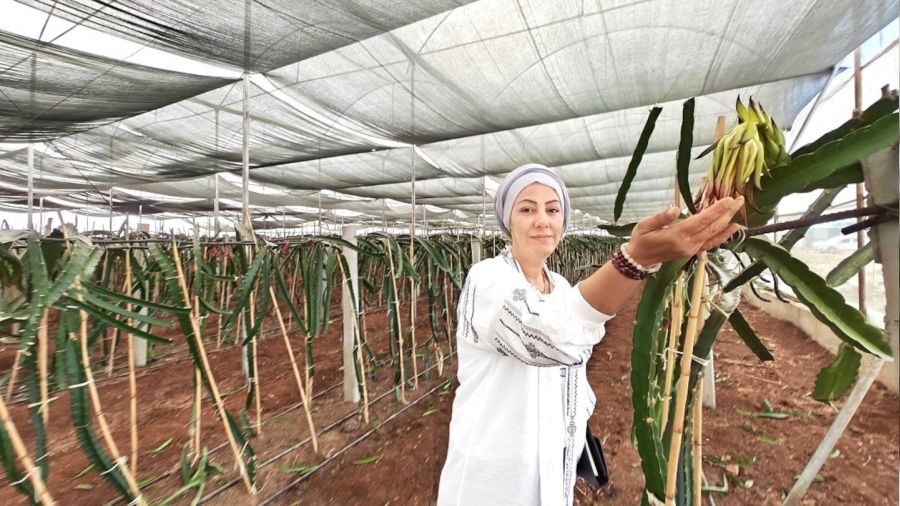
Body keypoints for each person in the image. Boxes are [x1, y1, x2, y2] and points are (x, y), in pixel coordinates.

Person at [437, 163, 743, 506]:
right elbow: (548, 338)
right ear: (508, 220)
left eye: (553, 210)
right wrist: (635, 260)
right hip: (493, 478)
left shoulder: (559, 286)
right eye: (527, 209)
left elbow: (573, 370)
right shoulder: (487, 279)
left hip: (553, 467)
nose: (542, 220)